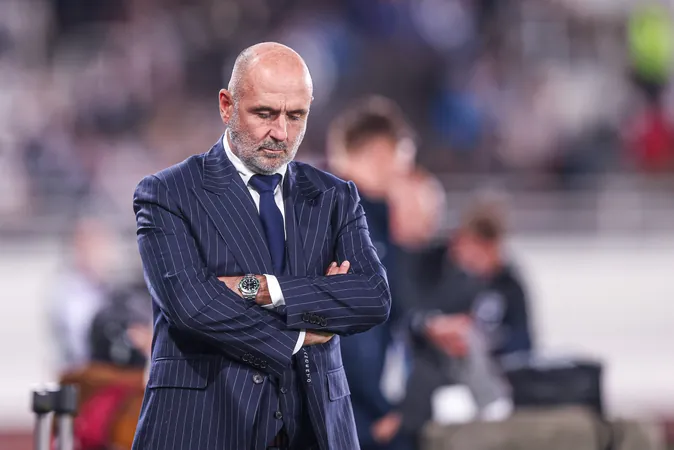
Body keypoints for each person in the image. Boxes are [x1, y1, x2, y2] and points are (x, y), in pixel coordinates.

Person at [131, 42, 391, 450]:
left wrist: (264, 289)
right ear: (226, 106)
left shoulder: (335, 196)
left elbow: (372, 296)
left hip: (317, 431)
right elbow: (193, 306)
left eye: (296, 116)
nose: (281, 133)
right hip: (204, 429)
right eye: (265, 114)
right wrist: (304, 332)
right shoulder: (168, 193)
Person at [326, 96, 416, 450]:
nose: (405, 168)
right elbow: (350, 325)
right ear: (380, 151)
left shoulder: (367, 215)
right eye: (403, 154)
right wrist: (378, 410)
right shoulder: (342, 216)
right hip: (351, 410)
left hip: (355, 405)